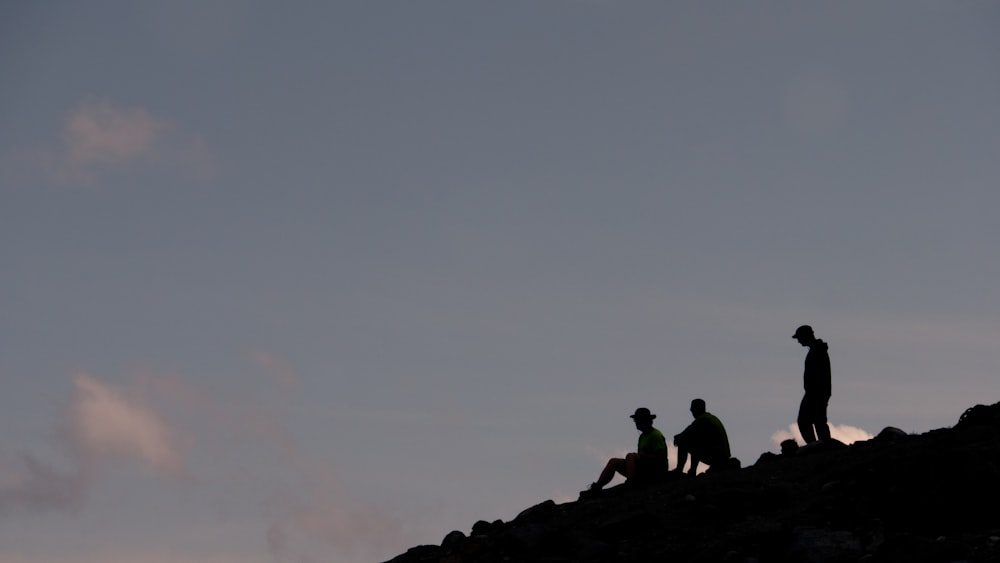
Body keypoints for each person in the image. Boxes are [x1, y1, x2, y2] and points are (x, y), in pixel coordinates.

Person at [582, 408, 669, 495]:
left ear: (645, 420)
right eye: (636, 420)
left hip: (655, 471)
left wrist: (641, 457)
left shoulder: (655, 435)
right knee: (614, 461)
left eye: (637, 420)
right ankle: (597, 487)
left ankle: (631, 483)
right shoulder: (642, 437)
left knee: (630, 456)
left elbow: (661, 457)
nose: (636, 423)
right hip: (644, 470)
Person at [672, 398, 733, 475]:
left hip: (717, 457)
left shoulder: (702, 420)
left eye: (692, 408)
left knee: (684, 442)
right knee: (694, 440)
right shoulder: (711, 418)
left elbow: (683, 435)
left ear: (696, 409)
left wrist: (677, 439)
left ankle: (680, 470)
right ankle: (692, 470)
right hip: (723, 456)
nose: (691, 410)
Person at [793, 324, 832, 444]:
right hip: (815, 391)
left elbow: (820, 374)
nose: (798, 341)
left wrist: (815, 390)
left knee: (810, 420)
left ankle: (821, 446)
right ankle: (821, 445)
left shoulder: (817, 350)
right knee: (816, 420)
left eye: (799, 337)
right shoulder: (816, 349)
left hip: (816, 392)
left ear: (806, 336)